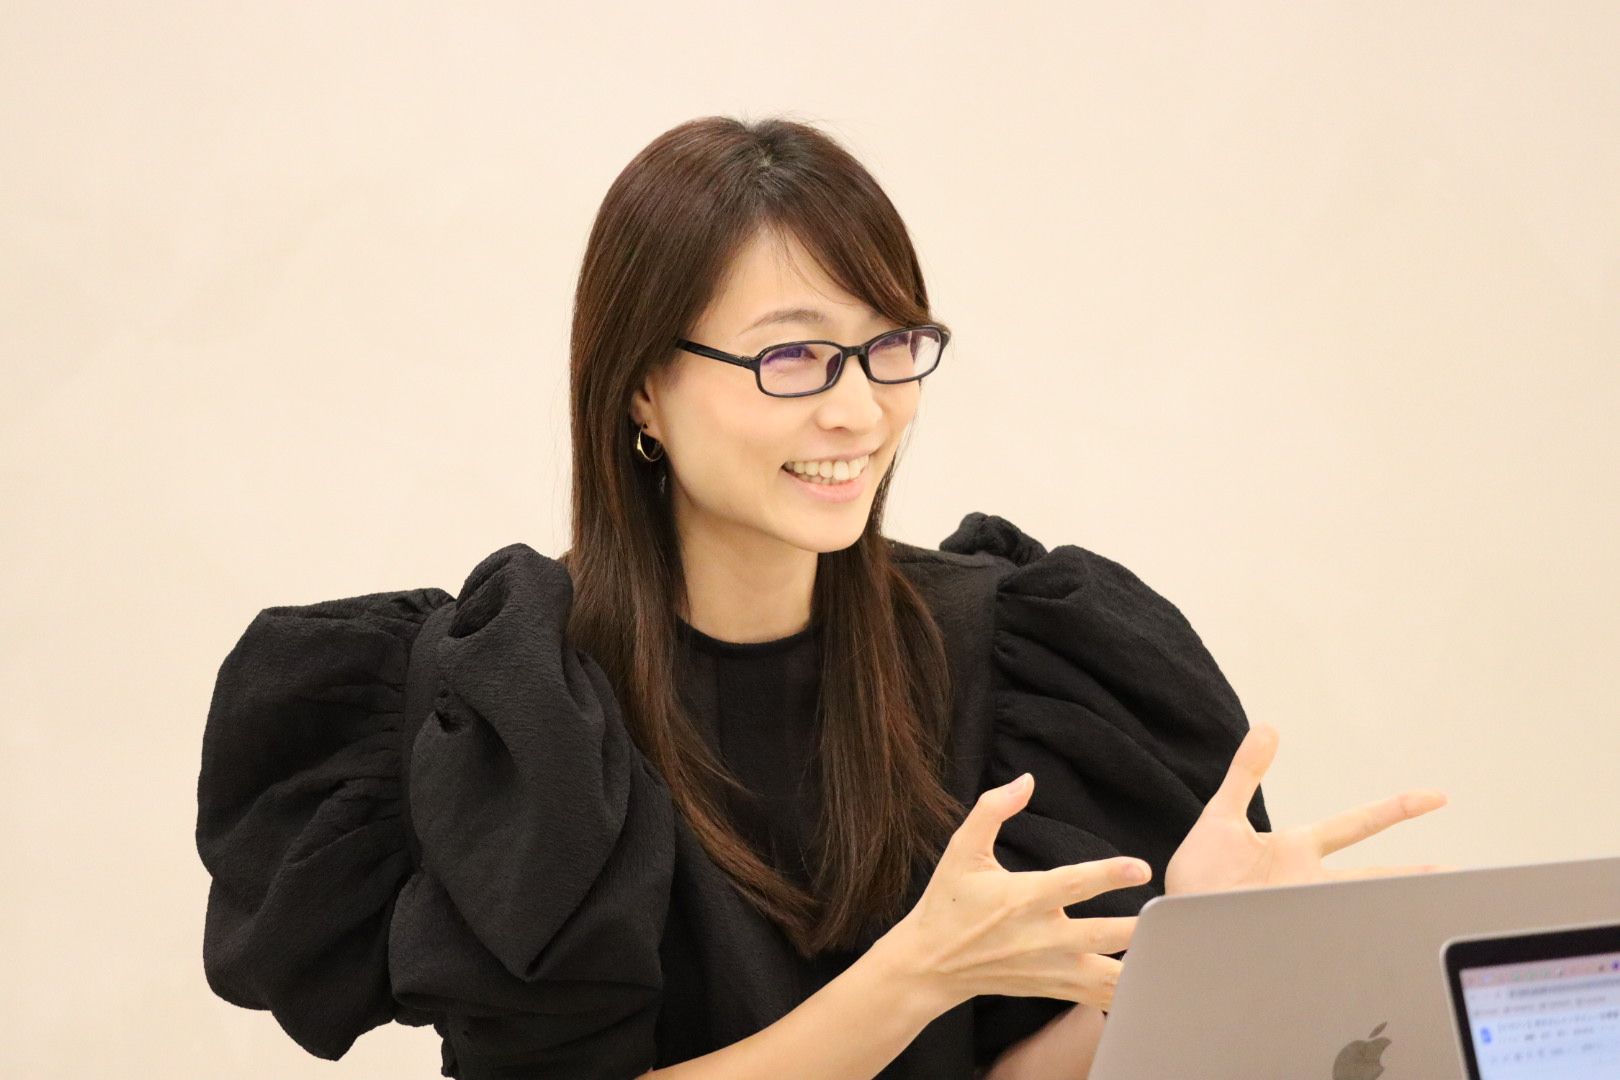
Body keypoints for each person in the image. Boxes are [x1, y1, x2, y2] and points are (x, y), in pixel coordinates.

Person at [194, 115, 1448, 1080]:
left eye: (889, 346)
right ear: (641, 388)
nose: (859, 409)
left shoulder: (1010, 650)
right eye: (792, 355)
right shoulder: (519, 707)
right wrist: (913, 978)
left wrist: (1184, 953)